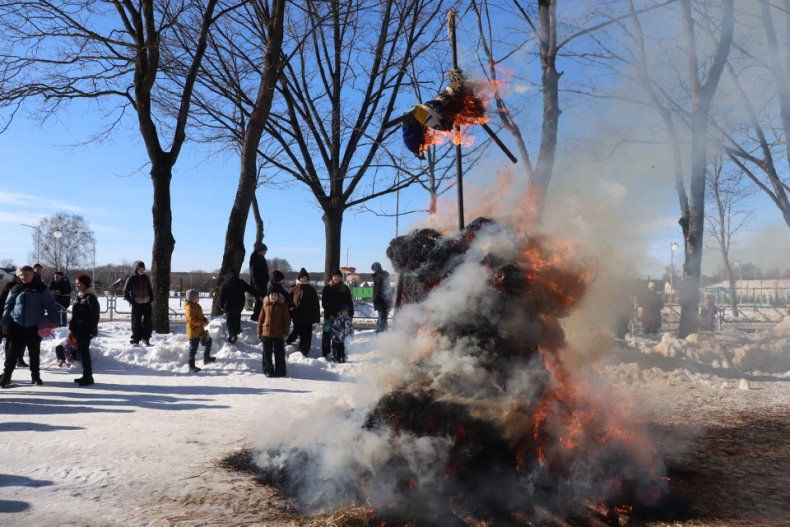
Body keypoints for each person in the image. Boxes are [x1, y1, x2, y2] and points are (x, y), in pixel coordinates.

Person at [0, 265, 60, 387]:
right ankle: (6, 376)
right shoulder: (15, 288)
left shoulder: (41, 289)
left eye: (27, 274)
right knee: (12, 353)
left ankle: (35, 377)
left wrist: (54, 320)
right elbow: (8, 306)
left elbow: (51, 305)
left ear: (33, 275)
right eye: (21, 274)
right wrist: (5, 322)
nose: (24, 277)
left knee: (34, 353)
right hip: (16, 326)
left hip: (34, 326)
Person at [69, 274, 100, 386]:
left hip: (85, 330)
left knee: (84, 353)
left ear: (85, 284)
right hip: (78, 330)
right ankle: (86, 375)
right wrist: (71, 328)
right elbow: (75, 315)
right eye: (76, 283)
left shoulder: (90, 297)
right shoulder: (80, 296)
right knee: (82, 353)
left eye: (79, 283)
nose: (77, 285)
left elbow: (94, 316)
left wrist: (91, 330)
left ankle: (88, 376)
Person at [257, 286, 290, 377]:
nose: (273, 296)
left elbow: (287, 321)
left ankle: (280, 371)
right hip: (266, 333)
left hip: (279, 334)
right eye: (272, 295)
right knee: (266, 353)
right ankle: (268, 370)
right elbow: (261, 319)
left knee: (279, 353)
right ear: (268, 296)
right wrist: (259, 332)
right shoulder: (265, 306)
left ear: (278, 296)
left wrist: (285, 333)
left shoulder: (282, 306)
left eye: (275, 295)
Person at [286, 268, 321, 356]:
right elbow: (288, 300)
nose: (303, 279)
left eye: (305, 278)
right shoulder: (293, 288)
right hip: (297, 314)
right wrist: (290, 309)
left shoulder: (311, 289)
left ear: (307, 279)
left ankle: (304, 351)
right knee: (297, 331)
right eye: (302, 278)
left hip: (308, 316)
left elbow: (316, 304)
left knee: (307, 334)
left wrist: (316, 318)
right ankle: (288, 341)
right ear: (299, 278)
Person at [321, 270, 354, 359]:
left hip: (341, 316)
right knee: (326, 333)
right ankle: (325, 352)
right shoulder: (327, 288)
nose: (336, 278)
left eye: (338, 276)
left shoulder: (345, 288)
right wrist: (331, 313)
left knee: (339, 335)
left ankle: (338, 353)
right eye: (335, 276)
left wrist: (350, 314)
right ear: (332, 277)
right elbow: (324, 303)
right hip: (329, 315)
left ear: (340, 277)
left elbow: (349, 302)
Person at [184, 289, 215, 373]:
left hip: (200, 330)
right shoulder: (189, 308)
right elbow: (191, 320)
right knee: (193, 349)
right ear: (192, 298)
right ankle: (191, 366)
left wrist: (205, 320)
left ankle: (207, 358)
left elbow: (201, 315)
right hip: (193, 332)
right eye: (197, 297)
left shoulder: (197, 306)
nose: (199, 298)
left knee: (209, 340)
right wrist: (202, 323)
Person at [123, 261, 153, 346]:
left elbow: (150, 289)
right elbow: (125, 292)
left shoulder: (146, 278)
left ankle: (146, 338)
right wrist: (132, 301)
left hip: (147, 303)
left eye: (143, 269)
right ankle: (136, 339)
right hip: (136, 304)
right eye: (140, 268)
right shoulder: (131, 279)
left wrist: (151, 298)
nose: (141, 270)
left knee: (148, 323)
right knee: (136, 322)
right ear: (136, 269)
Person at [218, 269, 253, 344]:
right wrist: (258, 294)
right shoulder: (240, 282)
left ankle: (232, 334)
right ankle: (237, 330)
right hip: (239, 303)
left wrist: (221, 305)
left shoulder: (225, 283)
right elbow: (249, 289)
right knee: (237, 316)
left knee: (230, 320)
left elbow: (221, 296)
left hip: (228, 304)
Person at [249, 243, 269, 322]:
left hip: (262, 284)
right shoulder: (255, 259)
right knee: (259, 301)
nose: (265, 252)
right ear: (260, 251)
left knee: (261, 301)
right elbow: (254, 275)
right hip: (258, 285)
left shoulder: (260, 258)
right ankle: (256, 317)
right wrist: (258, 287)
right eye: (264, 251)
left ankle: (259, 316)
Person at [371, 262, 393, 333]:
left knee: (382, 320)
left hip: (381, 301)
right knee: (382, 318)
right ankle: (380, 336)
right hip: (383, 301)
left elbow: (379, 291)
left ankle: (380, 336)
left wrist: (376, 299)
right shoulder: (382, 275)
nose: (373, 271)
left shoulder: (380, 277)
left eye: (373, 269)